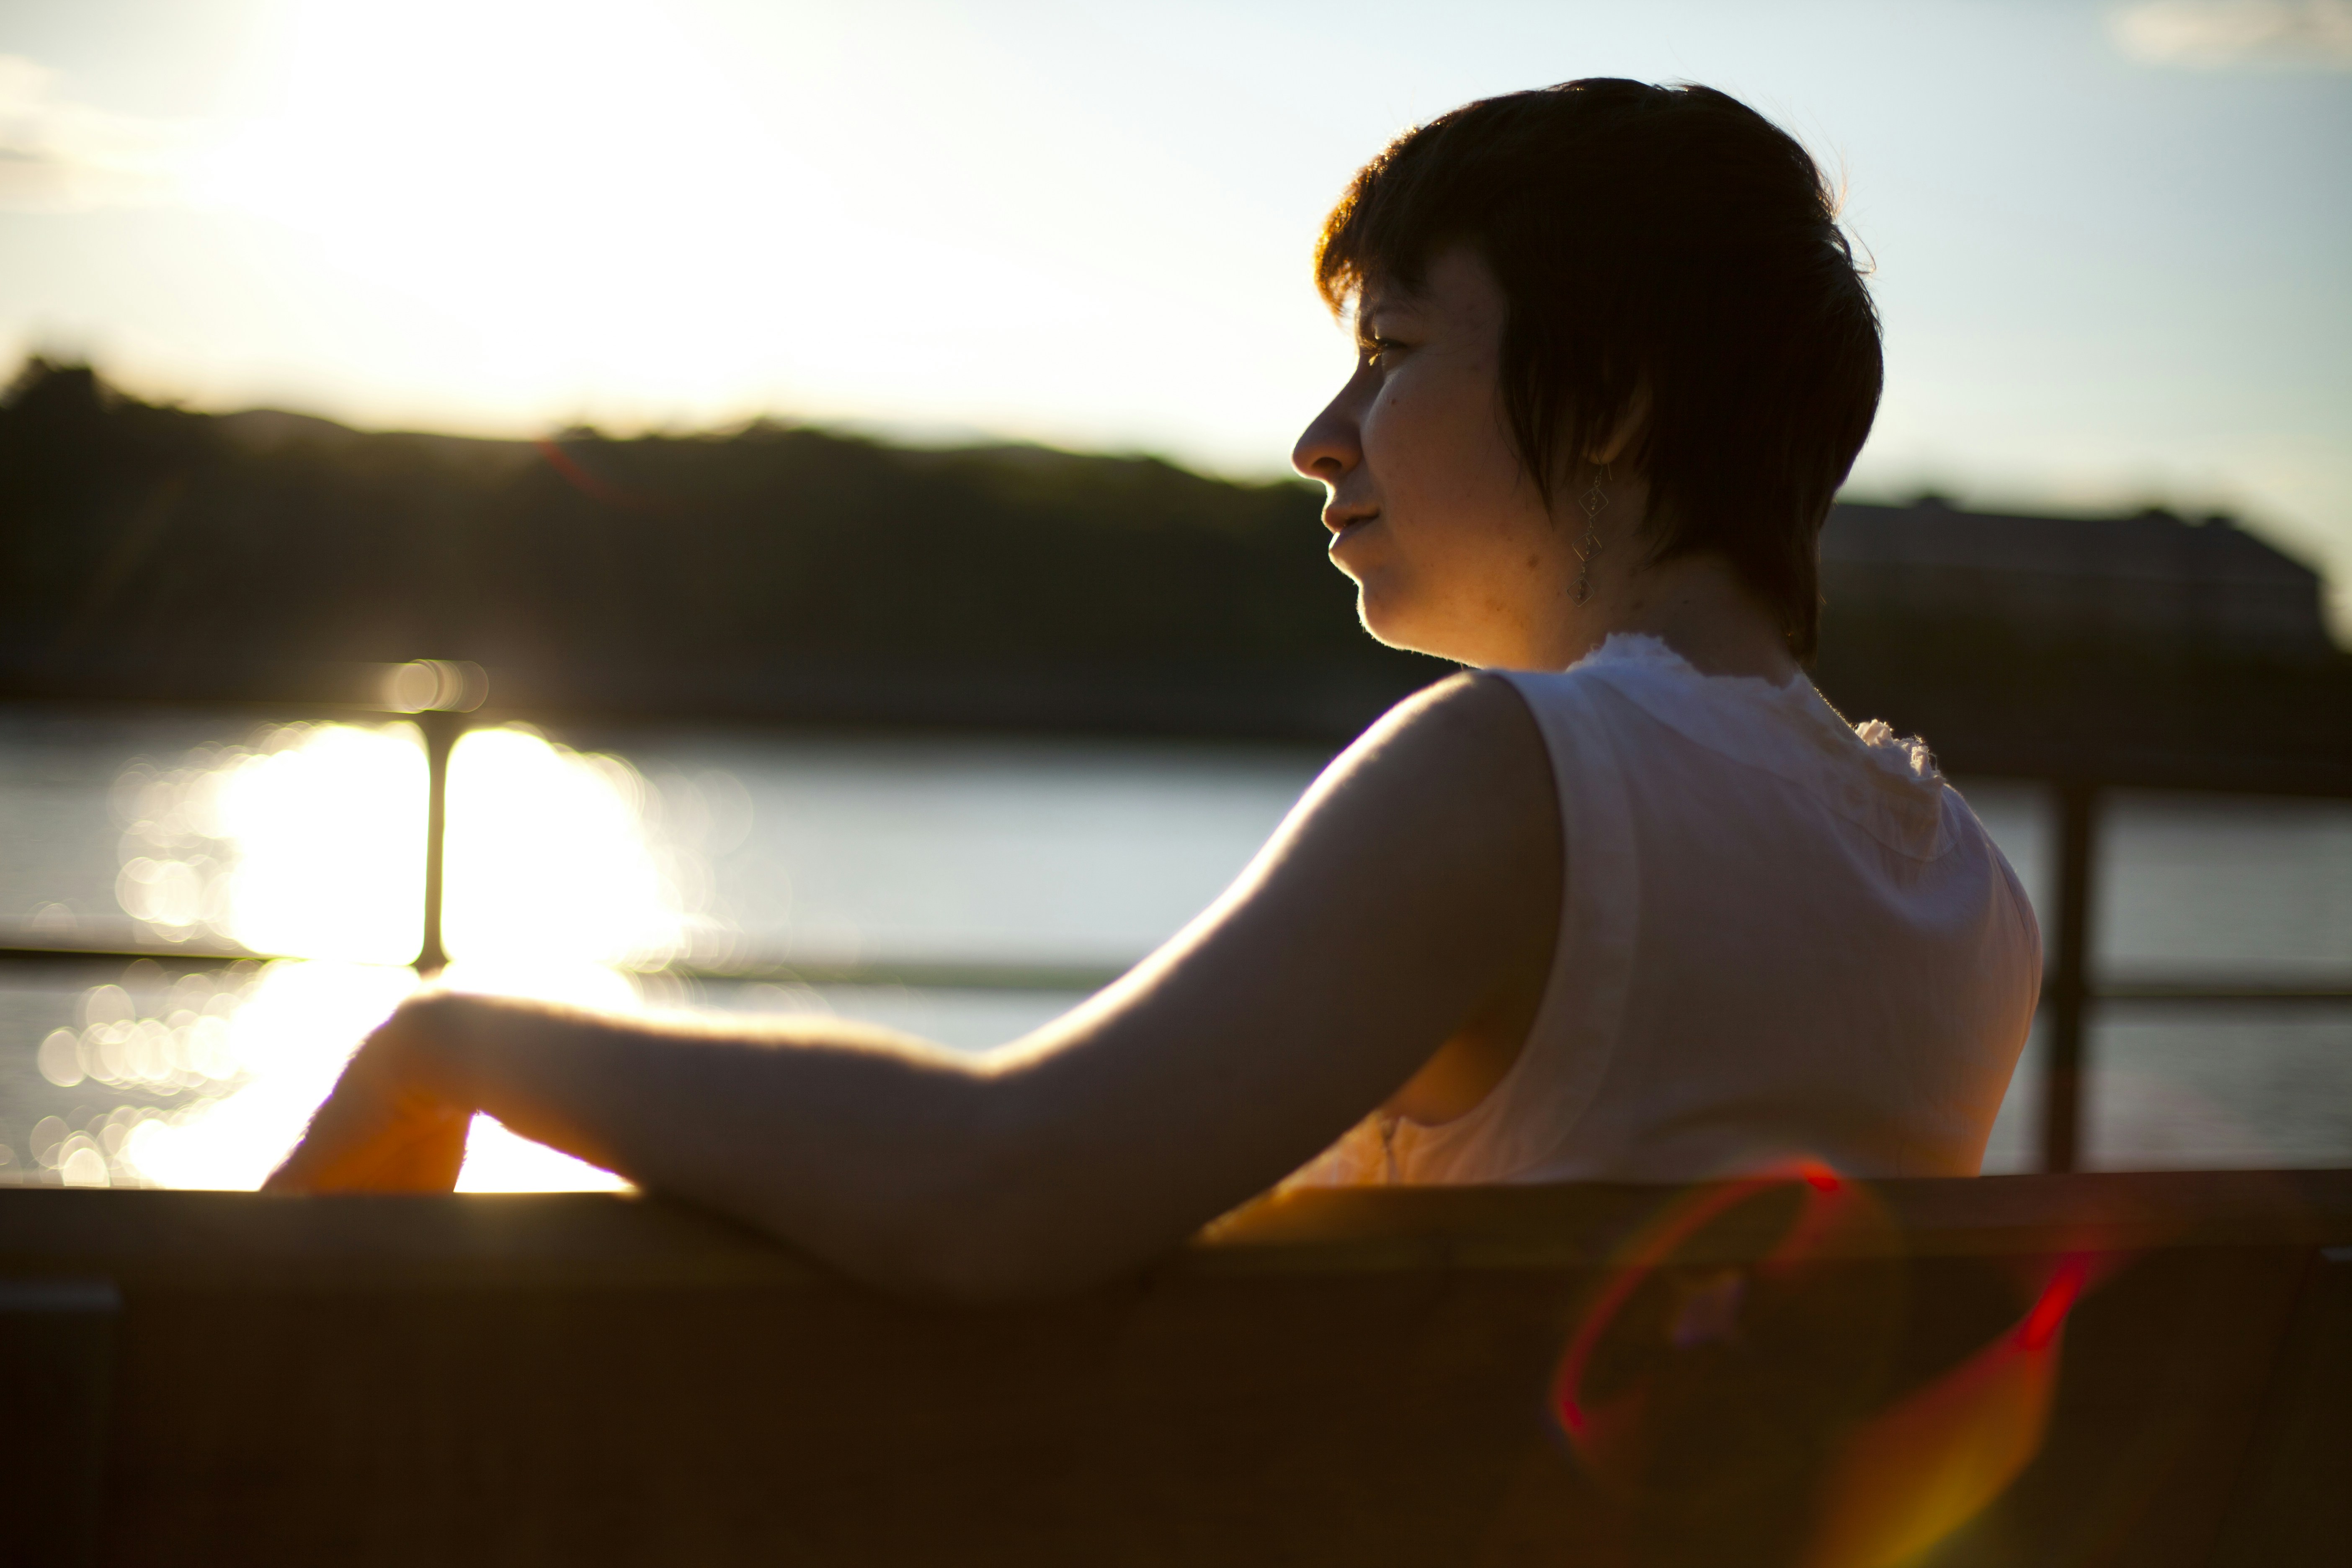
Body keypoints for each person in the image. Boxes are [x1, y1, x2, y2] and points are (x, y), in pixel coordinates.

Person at [266, 80, 2040, 1299]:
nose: (1318, 438)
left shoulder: (1529, 779)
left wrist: (466, 1040)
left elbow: (997, 1193)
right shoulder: (1963, 890)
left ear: (1619, 401)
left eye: (1398, 355)